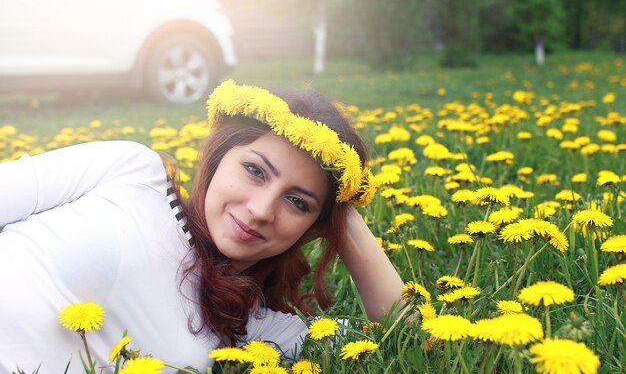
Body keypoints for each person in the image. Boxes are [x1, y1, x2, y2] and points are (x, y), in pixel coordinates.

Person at [0, 80, 404, 373]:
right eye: (255, 171)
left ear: (311, 227)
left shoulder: (259, 331)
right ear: (217, 157)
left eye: (296, 202)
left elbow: (401, 337)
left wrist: (341, 208)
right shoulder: (129, 172)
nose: (263, 209)